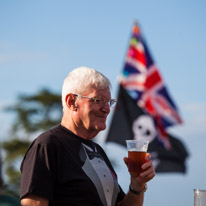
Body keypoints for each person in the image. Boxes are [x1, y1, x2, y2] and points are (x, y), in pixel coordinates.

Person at [20, 67, 155, 206]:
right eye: (98, 100)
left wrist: (137, 186)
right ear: (71, 101)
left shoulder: (97, 151)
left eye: (109, 102)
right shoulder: (47, 146)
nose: (107, 109)